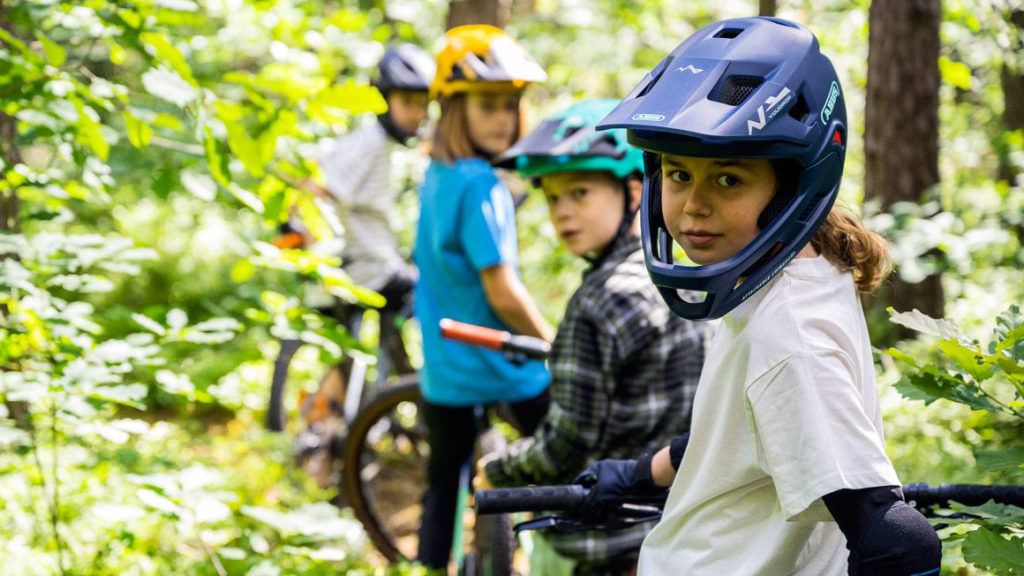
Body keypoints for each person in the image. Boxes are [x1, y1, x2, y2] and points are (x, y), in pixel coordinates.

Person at [579, 16, 942, 576]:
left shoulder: (789, 335)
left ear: (793, 184)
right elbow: (750, 433)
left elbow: (896, 541)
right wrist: (638, 474)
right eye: (678, 174)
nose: (693, 206)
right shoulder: (787, 274)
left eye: (728, 179)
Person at [477, 99, 707, 576]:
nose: (563, 212)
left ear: (636, 191)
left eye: (580, 193)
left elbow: (566, 444)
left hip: (602, 537)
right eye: (552, 197)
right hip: (679, 526)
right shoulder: (681, 278)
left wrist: (496, 471)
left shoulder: (598, 305)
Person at [413, 25, 553, 571]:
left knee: (442, 481)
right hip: (501, 362)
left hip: (444, 365)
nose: (503, 117)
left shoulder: (438, 173)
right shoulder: (480, 186)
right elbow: (502, 288)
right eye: (488, 104)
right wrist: (551, 342)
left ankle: (429, 566)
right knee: (567, 456)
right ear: (453, 109)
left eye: (511, 104)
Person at [290, 44, 435, 485]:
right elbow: (313, 187)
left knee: (348, 360)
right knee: (430, 303)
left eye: (422, 105)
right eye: (408, 103)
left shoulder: (380, 144)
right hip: (364, 271)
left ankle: (335, 429)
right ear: (383, 99)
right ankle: (414, 405)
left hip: (359, 267)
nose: (416, 114)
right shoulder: (369, 143)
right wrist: (316, 247)